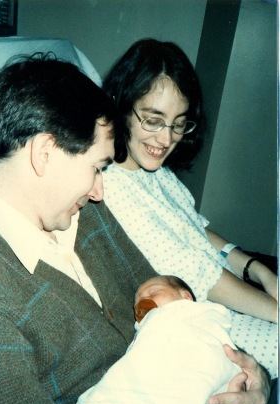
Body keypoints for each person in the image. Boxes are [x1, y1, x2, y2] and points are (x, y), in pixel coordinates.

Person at [0, 52, 273, 404]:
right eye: (96, 167)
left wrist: (252, 382)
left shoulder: (82, 214)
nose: (100, 191)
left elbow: (179, 314)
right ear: (44, 153)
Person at [102, 38, 278, 378]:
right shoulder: (112, 187)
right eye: (153, 120)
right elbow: (202, 277)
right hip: (205, 319)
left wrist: (259, 270)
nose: (166, 139)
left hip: (229, 297)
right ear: (121, 105)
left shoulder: (155, 174)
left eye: (179, 123)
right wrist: (274, 310)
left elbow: (196, 228)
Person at [71, 276, 243, 404]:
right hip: (160, 388)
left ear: (186, 298)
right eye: (137, 303)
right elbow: (139, 360)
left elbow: (218, 345)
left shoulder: (197, 316)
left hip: (198, 381)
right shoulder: (148, 330)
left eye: (154, 291)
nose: (144, 301)